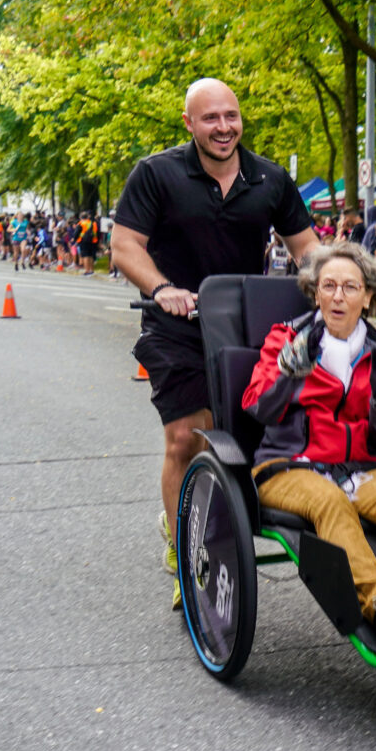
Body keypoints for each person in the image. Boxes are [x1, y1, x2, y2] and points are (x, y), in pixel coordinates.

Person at [111, 77, 316, 609]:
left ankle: (228, 514)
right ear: (189, 124)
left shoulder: (269, 178)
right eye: (210, 118)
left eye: (231, 116)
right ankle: (187, 550)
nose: (223, 127)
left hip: (245, 328)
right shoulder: (156, 174)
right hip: (175, 324)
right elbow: (125, 246)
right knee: (187, 437)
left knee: (249, 435)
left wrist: (340, 288)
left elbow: (308, 249)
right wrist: (162, 289)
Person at [243, 239, 376, 636]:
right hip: (287, 466)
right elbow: (256, 406)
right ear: (315, 293)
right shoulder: (287, 338)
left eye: (349, 287)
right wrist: (286, 373)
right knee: (330, 502)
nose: (337, 296)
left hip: (357, 468)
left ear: (368, 297)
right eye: (328, 286)